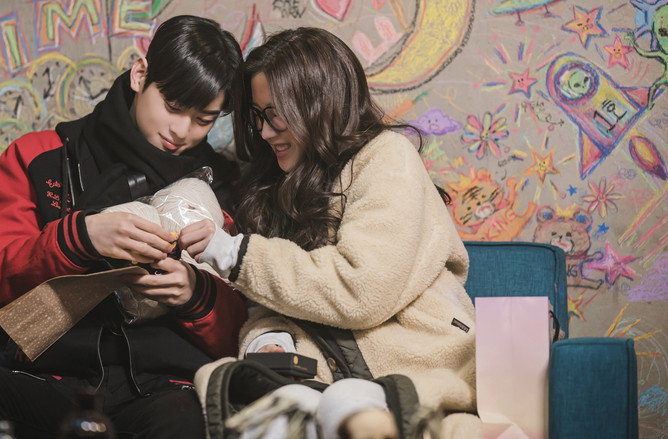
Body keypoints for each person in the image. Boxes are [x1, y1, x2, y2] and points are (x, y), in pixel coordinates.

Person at [0, 15, 247, 439]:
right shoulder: (37, 157)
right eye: (172, 106)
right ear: (140, 74)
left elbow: (247, 328)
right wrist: (79, 238)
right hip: (51, 382)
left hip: (166, 391)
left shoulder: (223, 188)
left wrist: (195, 294)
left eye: (203, 119)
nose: (181, 130)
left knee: (194, 420)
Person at [180, 27, 480, 438]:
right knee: (259, 397)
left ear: (319, 104)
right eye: (258, 116)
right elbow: (274, 303)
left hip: (414, 362)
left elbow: (362, 289)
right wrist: (270, 341)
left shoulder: (387, 156)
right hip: (324, 372)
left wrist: (235, 254)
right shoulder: (273, 188)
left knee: (346, 399)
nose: (265, 132)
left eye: (276, 114)